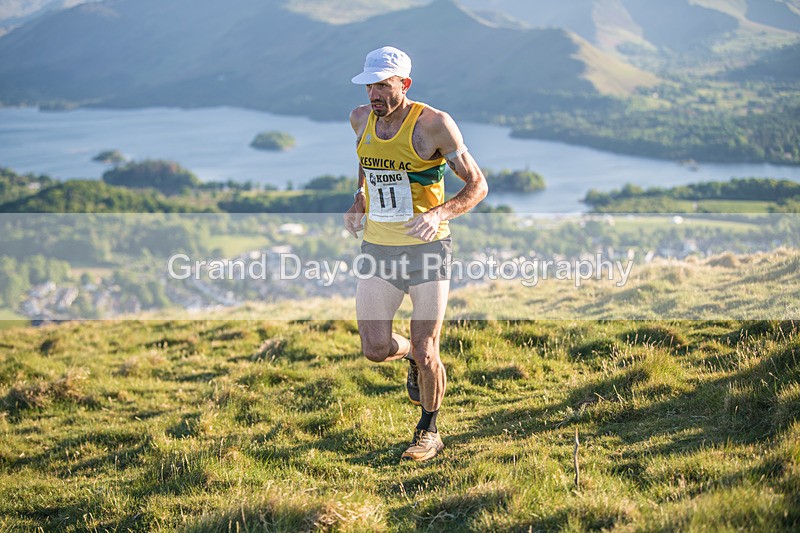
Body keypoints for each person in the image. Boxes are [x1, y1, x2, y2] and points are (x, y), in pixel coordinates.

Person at [343, 46, 488, 462]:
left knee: (429, 349)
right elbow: (367, 162)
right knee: (374, 347)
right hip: (378, 246)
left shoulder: (434, 125)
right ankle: (407, 355)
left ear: (404, 85)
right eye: (369, 84)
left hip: (428, 247)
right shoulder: (359, 119)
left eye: (383, 86)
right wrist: (359, 198)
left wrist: (440, 212)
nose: (374, 94)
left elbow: (477, 185)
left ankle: (429, 430)